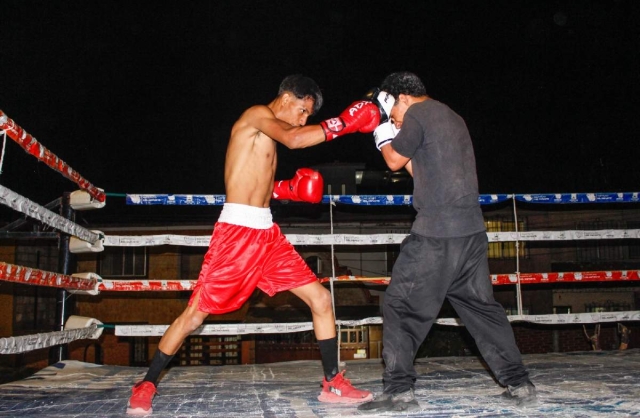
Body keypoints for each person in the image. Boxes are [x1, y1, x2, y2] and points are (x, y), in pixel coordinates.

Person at [126, 74, 386, 415]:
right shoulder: (256, 116)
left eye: (308, 115)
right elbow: (295, 140)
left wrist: (285, 190)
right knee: (194, 316)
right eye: (303, 111)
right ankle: (146, 383)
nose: (303, 119)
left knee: (321, 299)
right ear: (289, 97)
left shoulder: (267, 135)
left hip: (268, 236)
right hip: (236, 235)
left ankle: (332, 382)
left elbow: (254, 181)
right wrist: (344, 124)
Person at [358, 72, 537, 413]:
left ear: (401, 97)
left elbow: (394, 160)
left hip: (437, 234)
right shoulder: (450, 116)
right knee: (481, 310)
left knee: (400, 305)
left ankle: (398, 392)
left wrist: (381, 130)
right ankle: (519, 383)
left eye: (392, 112)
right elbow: (418, 169)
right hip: (470, 234)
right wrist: (391, 132)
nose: (395, 121)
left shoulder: (417, 113)